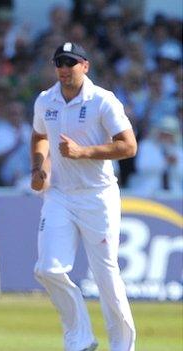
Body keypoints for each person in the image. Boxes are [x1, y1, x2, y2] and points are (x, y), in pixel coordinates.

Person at [31, 42, 137, 351]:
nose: (64, 69)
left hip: (97, 196)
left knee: (106, 276)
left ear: (85, 66)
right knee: (48, 269)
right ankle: (80, 339)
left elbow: (128, 146)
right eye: (59, 63)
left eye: (71, 63)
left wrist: (83, 152)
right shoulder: (45, 100)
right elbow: (39, 136)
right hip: (59, 195)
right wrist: (38, 168)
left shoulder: (103, 101)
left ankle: (122, 346)